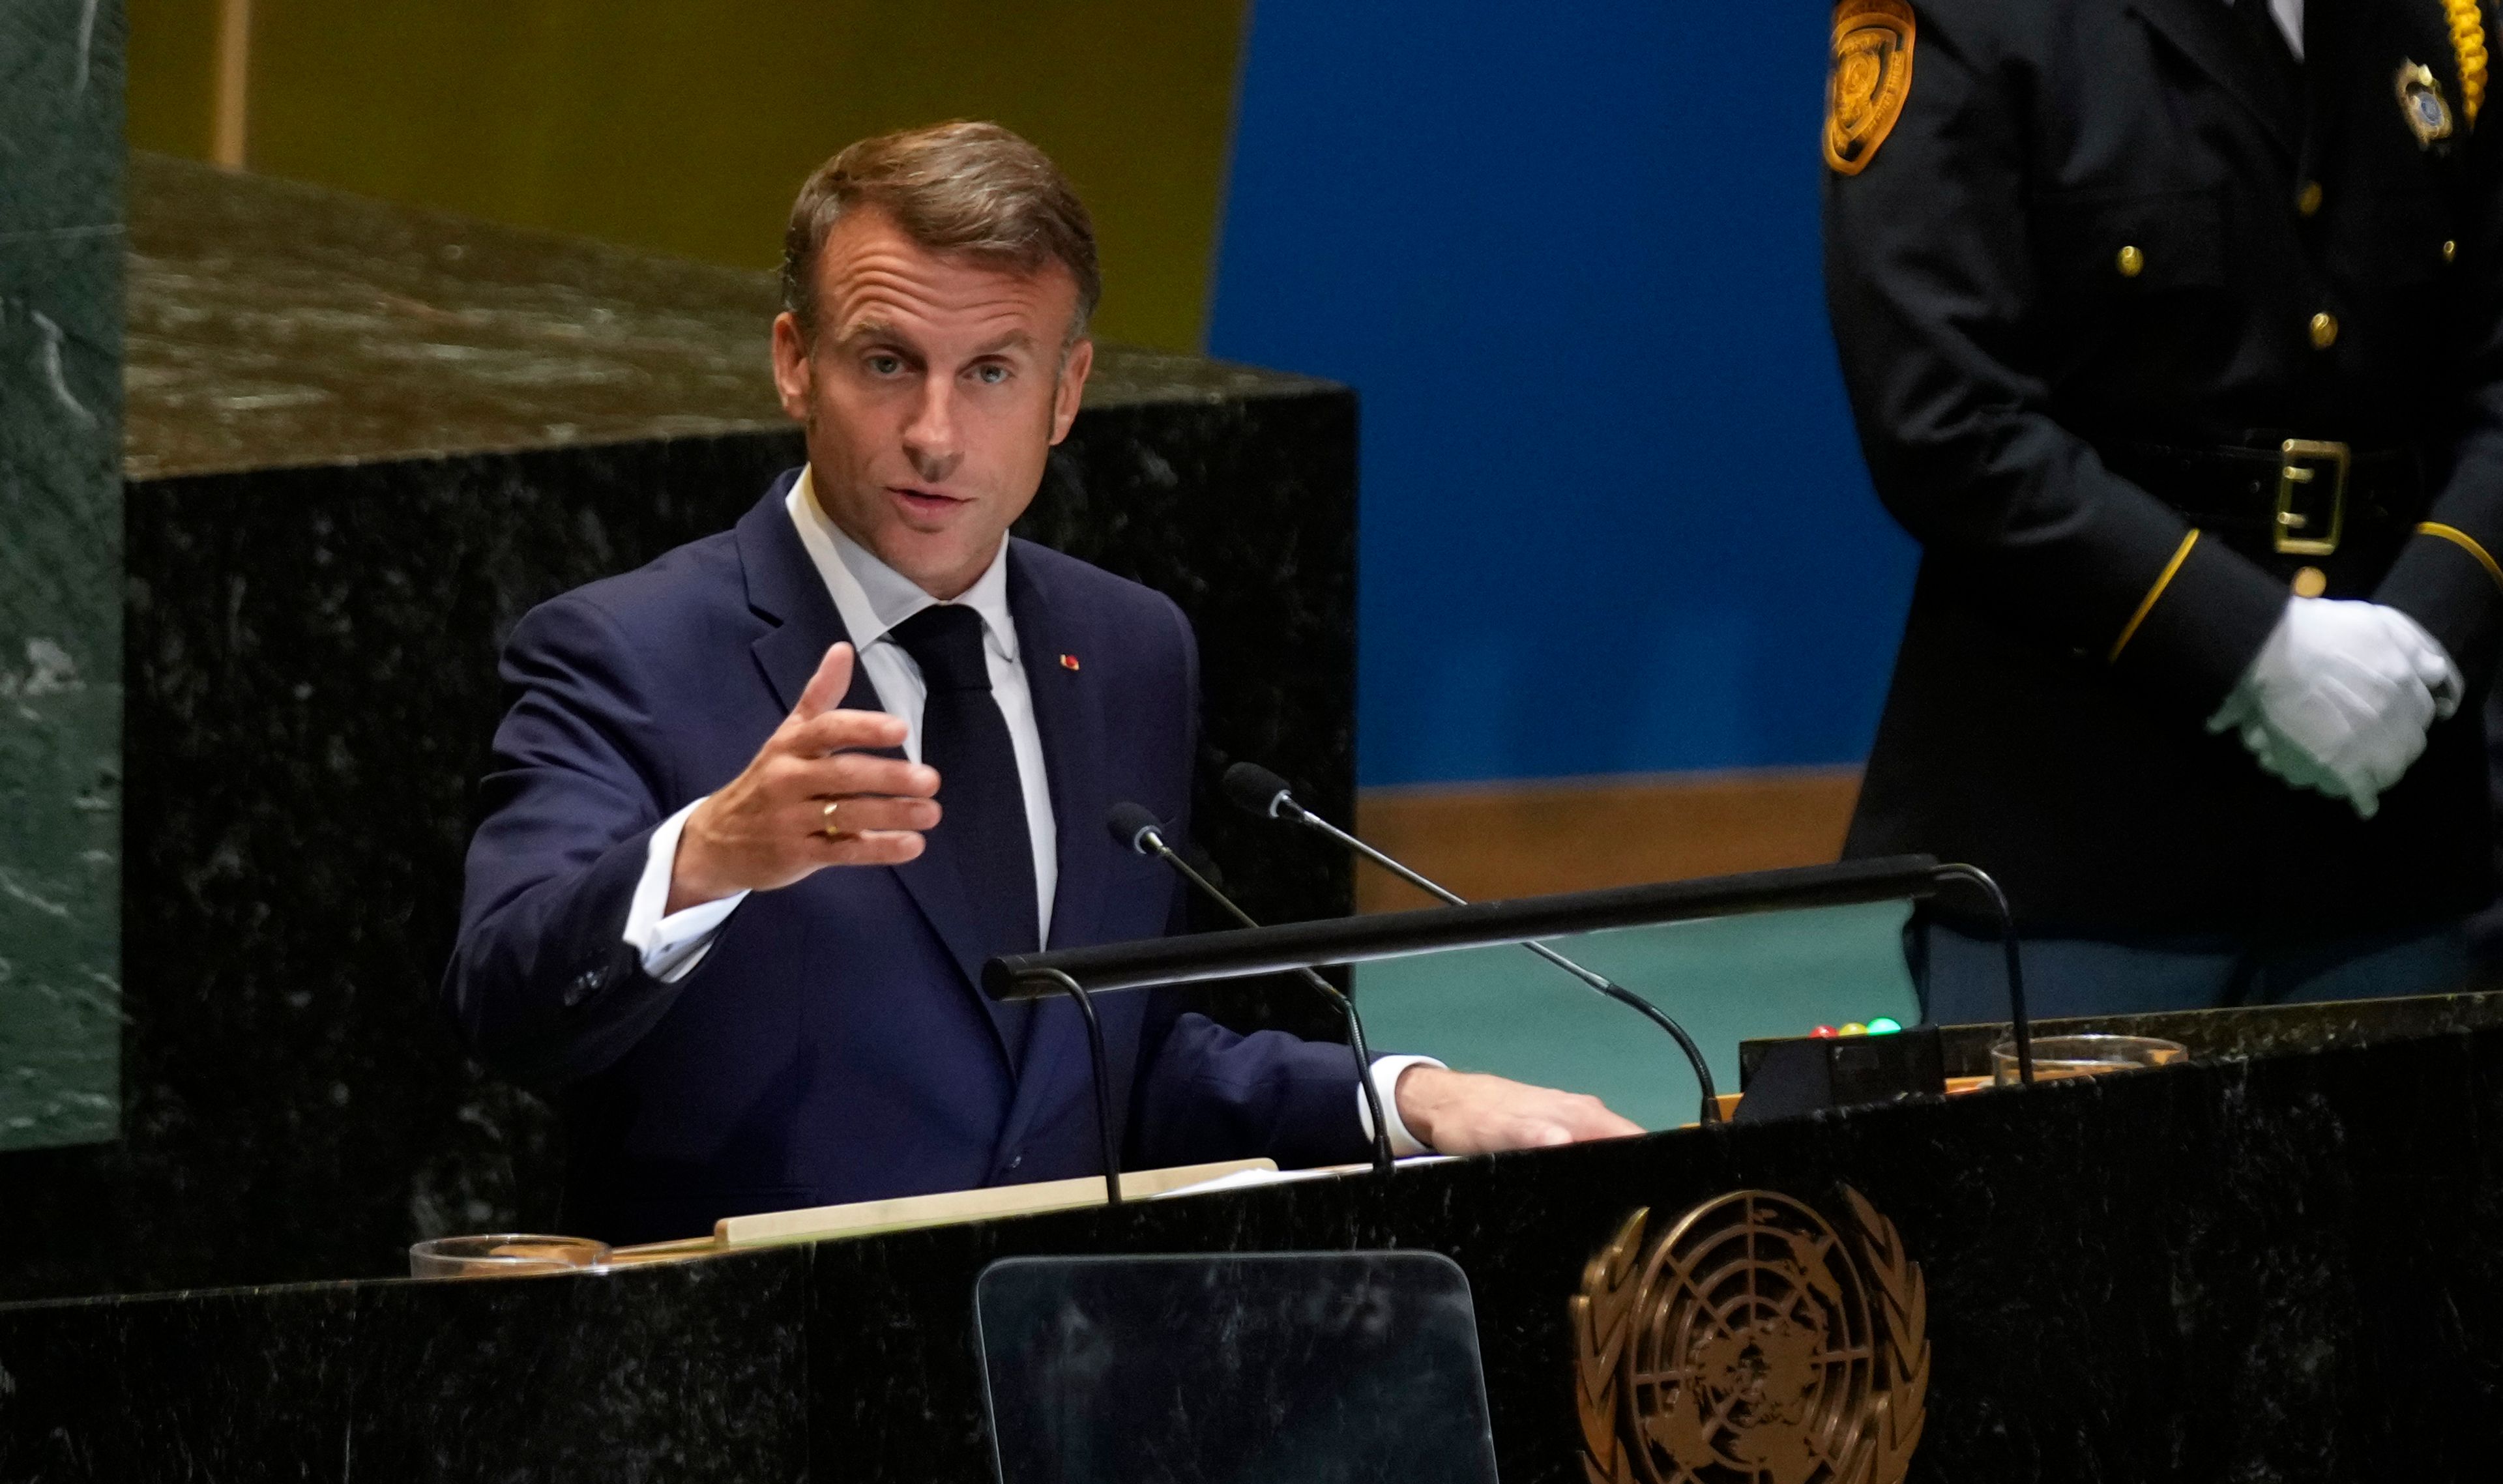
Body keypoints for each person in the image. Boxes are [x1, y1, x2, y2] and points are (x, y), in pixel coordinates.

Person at [445, 122, 1637, 1244]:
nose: (935, 434)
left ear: (1067, 393)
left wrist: (1412, 1098)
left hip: (1060, 1379)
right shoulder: (626, 651)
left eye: (993, 374)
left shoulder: (1129, 648)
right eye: (886, 362)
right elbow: (507, 1003)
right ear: (795, 364)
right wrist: (708, 854)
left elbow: (1119, 1057)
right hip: (762, 1393)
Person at [1823, 0, 2503, 1021]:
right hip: (2085, 838)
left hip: (2390, 820)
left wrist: (2426, 627)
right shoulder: (1979, 16)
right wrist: (2257, 649)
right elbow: (1944, 417)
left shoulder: (2445, 22)